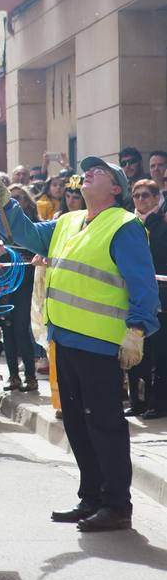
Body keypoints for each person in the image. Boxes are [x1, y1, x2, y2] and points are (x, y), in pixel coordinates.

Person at [0, 156, 160, 531]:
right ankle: (91, 497)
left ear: (116, 189)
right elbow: (27, 235)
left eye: (100, 171)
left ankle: (117, 504)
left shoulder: (124, 225)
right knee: (78, 427)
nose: (89, 173)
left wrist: (137, 331)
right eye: (88, 170)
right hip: (65, 340)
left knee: (105, 425)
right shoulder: (68, 221)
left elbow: (143, 284)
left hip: (100, 344)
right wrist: (5, 201)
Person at [128, 179, 167, 418]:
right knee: (135, 352)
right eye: (136, 195)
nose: (141, 200)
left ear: (155, 198)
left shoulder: (162, 223)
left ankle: (158, 403)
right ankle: (138, 401)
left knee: (159, 354)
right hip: (133, 298)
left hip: (161, 298)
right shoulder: (128, 223)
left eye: (145, 196)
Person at [0, 184, 39, 393]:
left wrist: (33, 258)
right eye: (12, 197)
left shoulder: (35, 225)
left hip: (27, 283)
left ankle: (30, 375)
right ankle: (13, 376)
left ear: (27, 202)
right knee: (8, 328)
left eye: (20, 198)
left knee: (21, 328)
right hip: (6, 283)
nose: (16, 201)